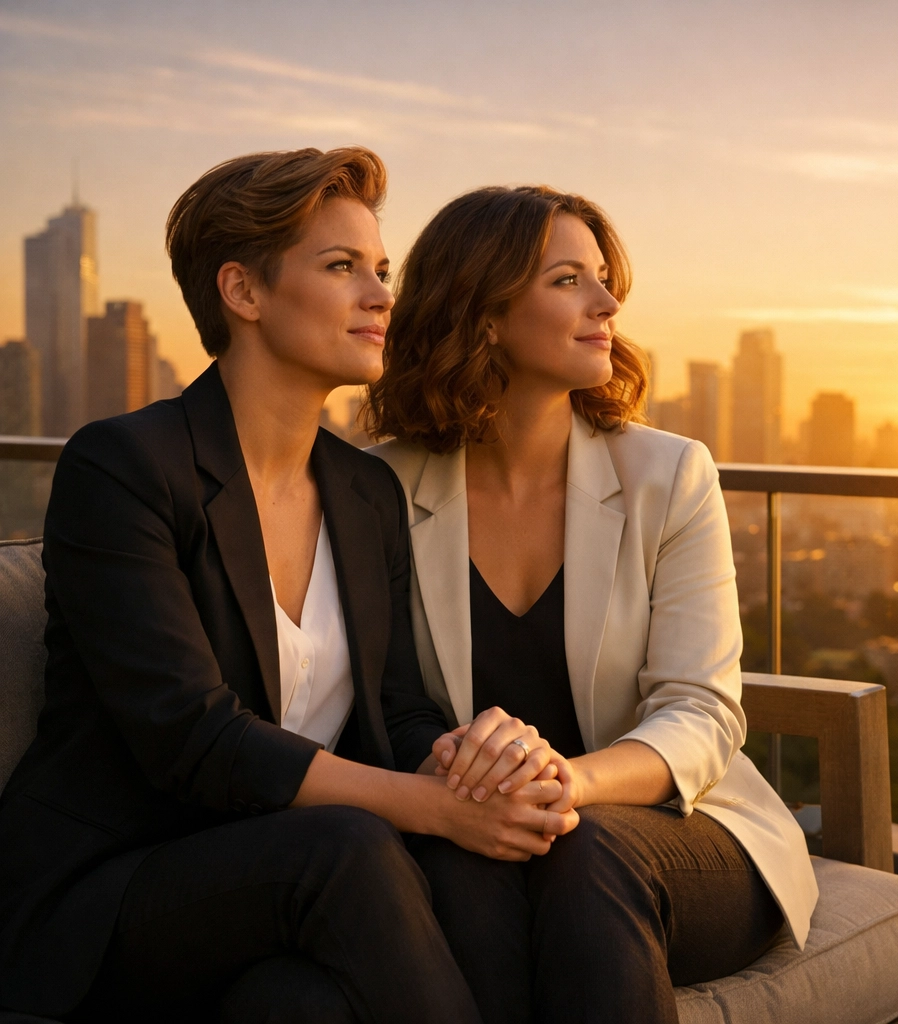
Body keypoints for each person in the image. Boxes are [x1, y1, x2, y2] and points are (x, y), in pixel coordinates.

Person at [0, 150, 576, 1024]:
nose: (383, 295)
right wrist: (428, 807)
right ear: (243, 291)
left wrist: (475, 767)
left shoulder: (364, 491)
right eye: (343, 267)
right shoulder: (124, 467)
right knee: (353, 847)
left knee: (310, 994)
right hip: (117, 889)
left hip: (273, 898)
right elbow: (192, 737)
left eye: (381, 270)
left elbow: (393, 708)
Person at [367, 184, 820, 1024]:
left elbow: (700, 711)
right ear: (486, 313)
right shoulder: (381, 487)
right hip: (480, 830)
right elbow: (389, 703)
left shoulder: (671, 475)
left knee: (588, 852)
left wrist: (564, 782)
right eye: (570, 279)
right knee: (470, 878)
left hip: (675, 833)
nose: (609, 304)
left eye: (605, 279)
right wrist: (481, 788)